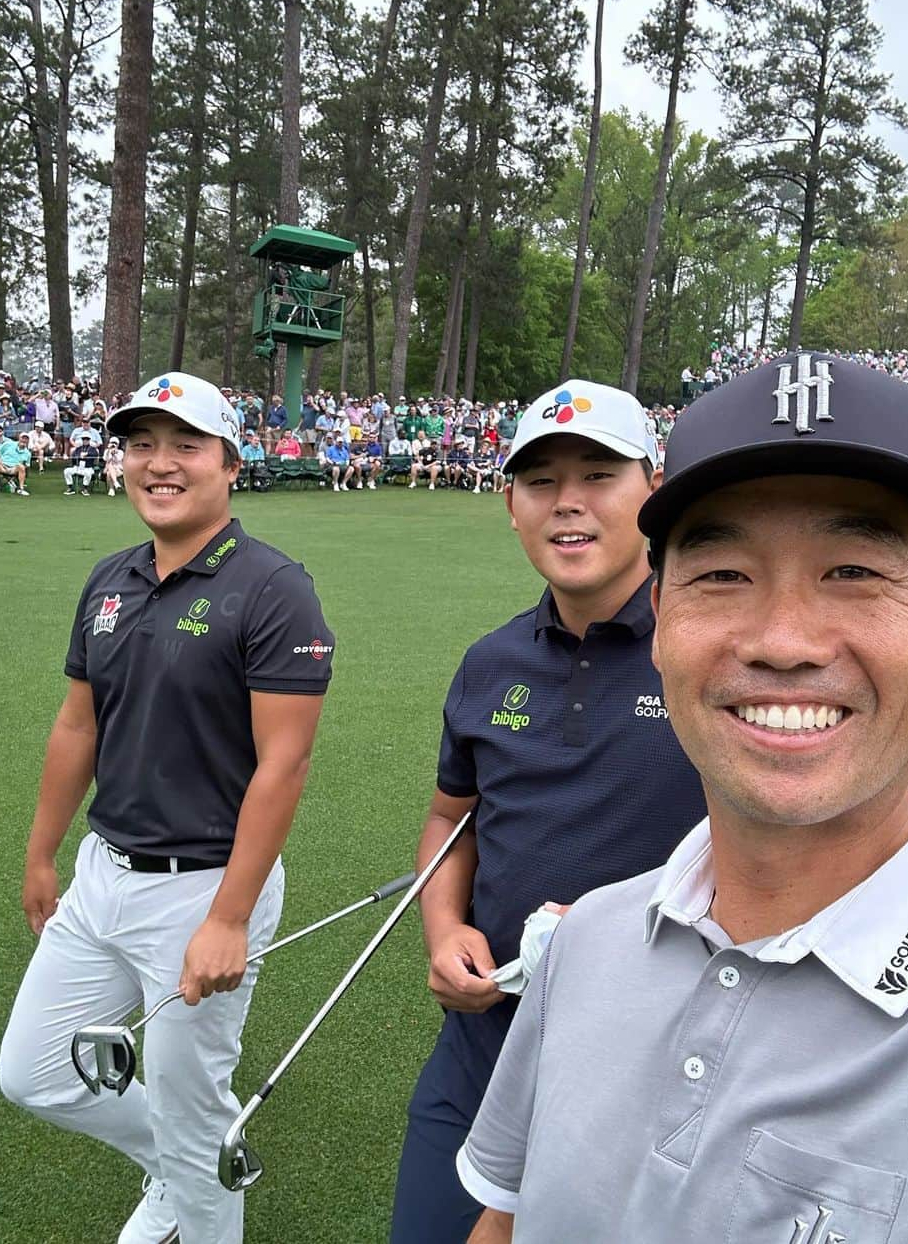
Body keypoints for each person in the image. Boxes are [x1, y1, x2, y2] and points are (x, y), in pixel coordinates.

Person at [459, 353, 908, 1243]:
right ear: (663, 618)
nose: (784, 641)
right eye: (722, 576)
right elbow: (508, 1225)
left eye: (855, 570)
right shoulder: (586, 939)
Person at [0, 372, 334, 1244]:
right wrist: (43, 854)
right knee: (33, 1073)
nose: (159, 464)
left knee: (195, 1116)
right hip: (103, 874)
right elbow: (78, 725)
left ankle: (193, 1180)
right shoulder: (111, 579)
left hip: (207, 887)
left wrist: (228, 918)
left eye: (185, 445)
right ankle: (181, 1161)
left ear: (230, 463)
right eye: (141, 445)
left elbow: (283, 765)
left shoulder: (272, 587)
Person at [390, 380, 707, 1243]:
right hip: (489, 1046)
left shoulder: (709, 650)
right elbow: (448, 823)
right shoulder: (489, 663)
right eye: (541, 481)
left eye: (599, 473)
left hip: (658, 1071)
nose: (568, 502)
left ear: (654, 487)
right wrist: (443, 926)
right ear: (511, 505)